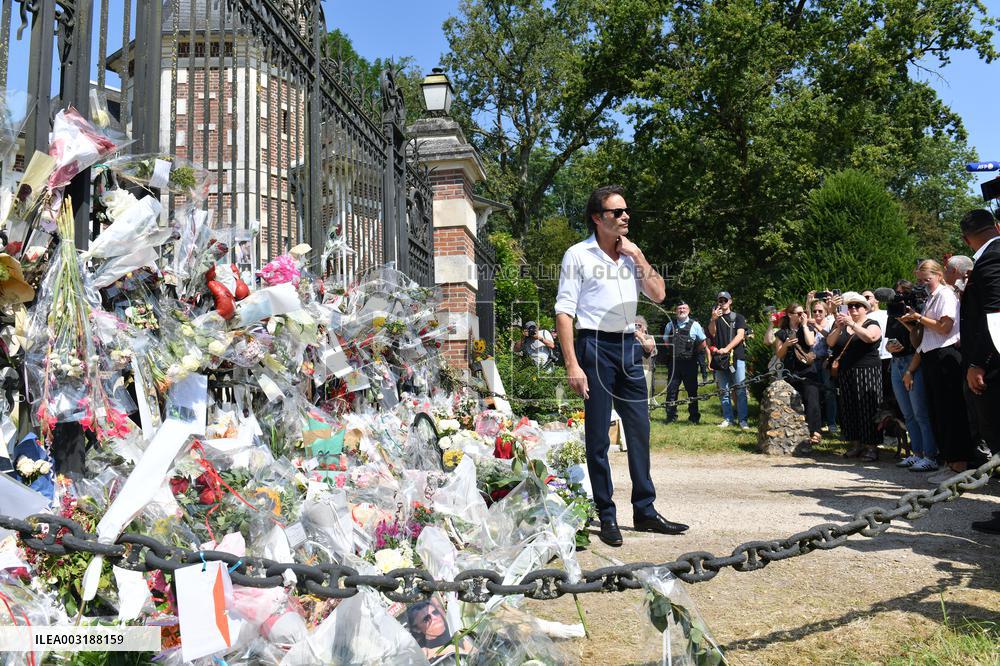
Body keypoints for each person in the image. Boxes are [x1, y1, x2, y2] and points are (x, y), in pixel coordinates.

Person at [555, 184, 687, 547]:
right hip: (594, 345)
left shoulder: (631, 255)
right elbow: (565, 312)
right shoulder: (577, 255)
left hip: (629, 345)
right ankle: (607, 515)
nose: (625, 216)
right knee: (598, 438)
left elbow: (659, 294)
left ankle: (645, 510)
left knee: (639, 431)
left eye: (627, 211)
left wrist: (639, 255)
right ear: (598, 218)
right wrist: (572, 364)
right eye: (617, 212)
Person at [901, 260, 975, 481]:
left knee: (952, 412)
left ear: (939, 275)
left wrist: (919, 318)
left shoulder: (944, 295)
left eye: (927, 279)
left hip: (947, 355)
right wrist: (913, 320)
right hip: (931, 356)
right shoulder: (932, 297)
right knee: (939, 413)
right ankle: (949, 462)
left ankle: (959, 465)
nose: (924, 284)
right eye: (921, 280)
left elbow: (945, 327)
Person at [957, 209, 1000, 534]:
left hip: (992, 366)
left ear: (965, 237)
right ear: (995, 227)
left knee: (997, 437)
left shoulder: (990, 260)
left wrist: (978, 363)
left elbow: (995, 317)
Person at [885, 280, 938, 472]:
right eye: (896, 294)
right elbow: (889, 340)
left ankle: (930, 455)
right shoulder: (893, 312)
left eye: (902, 294)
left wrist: (910, 371)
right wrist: (889, 347)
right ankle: (916, 454)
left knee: (921, 413)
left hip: (914, 363)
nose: (898, 298)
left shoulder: (919, 311)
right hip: (896, 363)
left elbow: (920, 343)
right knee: (908, 414)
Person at [827, 291, 883, 461]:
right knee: (849, 409)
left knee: (868, 408)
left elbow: (870, 337)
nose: (853, 309)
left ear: (865, 309)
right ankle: (856, 444)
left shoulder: (871, 323)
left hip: (867, 371)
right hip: (846, 372)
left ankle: (872, 447)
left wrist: (853, 324)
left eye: (857, 306)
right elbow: (830, 342)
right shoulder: (843, 325)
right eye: (850, 306)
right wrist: (839, 327)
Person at [773, 303, 823, 446]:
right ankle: (794, 431)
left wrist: (805, 325)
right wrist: (786, 345)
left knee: (812, 400)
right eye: (799, 313)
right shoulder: (782, 333)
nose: (802, 315)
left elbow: (811, 342)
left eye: (803, 313)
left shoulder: (807, 327)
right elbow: (779, 354)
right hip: (791, 371)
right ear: (790, 315)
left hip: (808, 370)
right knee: (792, 403)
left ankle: (816, 432)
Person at [707, 291, 749, 429]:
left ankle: (743, 420)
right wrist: (713, 319)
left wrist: (727, 348)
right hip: (720, 359)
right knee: (723, 391)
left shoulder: (738, 317)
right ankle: (728, 418)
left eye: (725, 300)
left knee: (740, 389)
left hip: (736, 357)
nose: (722, 302)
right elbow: (711, 333)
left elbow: (740, 335)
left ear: (730, 301)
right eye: (720, 300)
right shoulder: (715, 318)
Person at [662, 301, 707, 424]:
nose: (682, 310)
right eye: (679, 308)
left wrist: (693, 353)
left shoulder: (695, 325)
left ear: (689, 310)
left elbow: (703, 343)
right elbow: (666, 340)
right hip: (674, 363)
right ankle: (671, 416)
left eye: (684, 308)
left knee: (692, 390)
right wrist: (673, 351)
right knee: (672, 390)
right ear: (676, 310)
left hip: (690, 363)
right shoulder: (670, 325)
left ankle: (694, 417)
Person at [809, 300, 838, 433]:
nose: (817, 313)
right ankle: (817, 423)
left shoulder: (830, 324)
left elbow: (833, 342)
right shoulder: (809, 324)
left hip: (826, 361)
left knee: (829, 392)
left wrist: (829, 358)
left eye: (820, 311)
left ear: (826, 312)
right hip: (811, 362)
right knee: (814, 393)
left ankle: (832, 422)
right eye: (815, 311)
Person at [634, 315, 658, 406]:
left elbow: (648, 348)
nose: (636, 327)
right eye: (634, 325)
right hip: (629, 368)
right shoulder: (627, 338)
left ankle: (645, 415)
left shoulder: (648, 337)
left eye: (639, 325)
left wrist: (640, 337)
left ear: (644, 327)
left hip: (644, 368)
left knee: (644, 393)